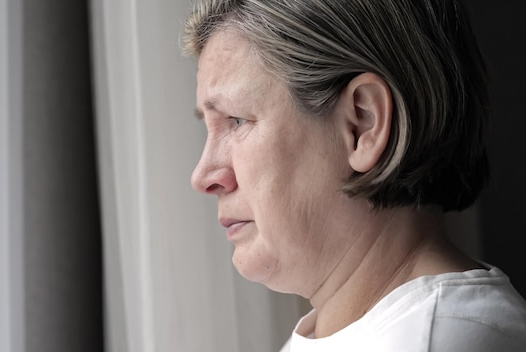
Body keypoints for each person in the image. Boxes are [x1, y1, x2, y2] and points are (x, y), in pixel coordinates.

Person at [182, 0, 526, 351]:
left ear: (363, 123)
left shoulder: (432, 341)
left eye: (237, 120)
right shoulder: (357, 331)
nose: (203, 175)